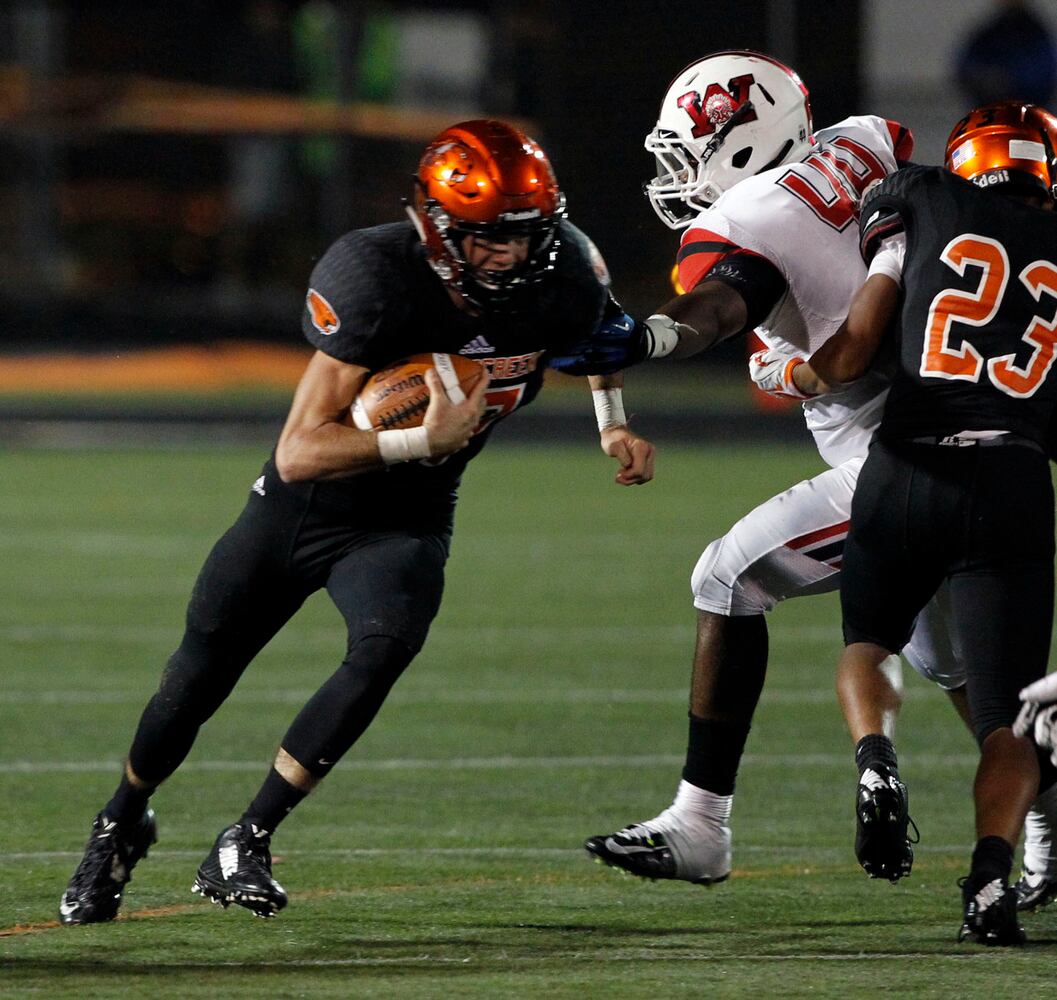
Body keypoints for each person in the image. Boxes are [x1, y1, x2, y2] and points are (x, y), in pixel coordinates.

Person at [57, 119, 655, 924]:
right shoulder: (374, 275)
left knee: (386, 644)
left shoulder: (567, 274)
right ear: (438, 228)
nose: (508, 256)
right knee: (193, 682)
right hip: (304, 508)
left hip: (408, 514)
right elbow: (299, 451)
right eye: (486, 239)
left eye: (524, 236)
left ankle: (248, 836)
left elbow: (597, 340)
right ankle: (121, 819)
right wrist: (419, 437)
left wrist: (609, 422)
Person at [553, 49, 987, 888]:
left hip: (901, 453)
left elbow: (722, 303)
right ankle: (1037, 830)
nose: (677, 176)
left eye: (689, 153)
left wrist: (654, 336)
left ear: (748, 140)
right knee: (956, 663)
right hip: (979, 429)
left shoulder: (745, 218)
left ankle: (700, 824)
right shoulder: (869, 142)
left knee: (727, 578)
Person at [787, 99, 1057, 944]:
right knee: (1008, 714)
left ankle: (875, 756)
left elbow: (854, 346)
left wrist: (798, 371)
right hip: (1011, 480)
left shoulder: (920, 198)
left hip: (909, 464)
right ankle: (987, 876)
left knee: (867, 640)